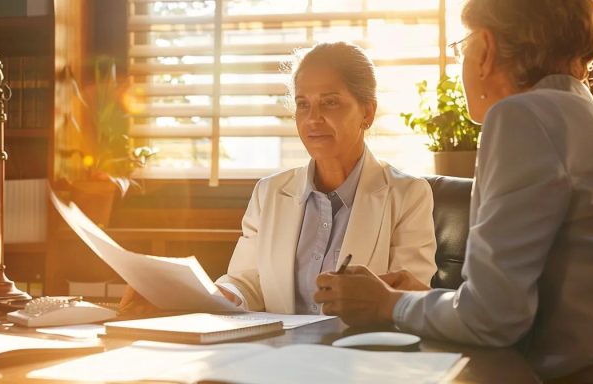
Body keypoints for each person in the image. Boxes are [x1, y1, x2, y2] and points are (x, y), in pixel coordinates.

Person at [313, 1, 593, 383]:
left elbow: (492, 320)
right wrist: (423, 301)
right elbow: (521, 304)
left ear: (485, 49)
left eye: (462, 47)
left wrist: (387, 304)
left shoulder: (522, 116)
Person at [120, 42, 437, 315]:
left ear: (367, 112)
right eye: (303, 104)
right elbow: (247, 281)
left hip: (357, 360)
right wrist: (202, 296)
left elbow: (408, 299)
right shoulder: (269, 192)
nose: (313, 119)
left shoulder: (408, 194)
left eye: (330, 101)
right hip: (274, 360)